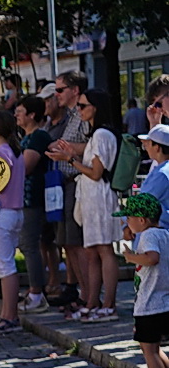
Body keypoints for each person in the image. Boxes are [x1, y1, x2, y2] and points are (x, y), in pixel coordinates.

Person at [51, 90, 121, 321]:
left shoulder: (101, 134)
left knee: (103, 249)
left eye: (83, 106)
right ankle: (91, 301)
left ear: (95, 107)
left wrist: (70, 160)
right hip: (90, 198)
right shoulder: (95, 135)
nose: (79, 110)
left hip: (100, 197)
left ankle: (108, 304)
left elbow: (96, 173)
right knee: (91, 252)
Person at [118, 193, 169, 368]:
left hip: (150, 304)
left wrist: (130, 257)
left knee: (150, 351)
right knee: (156, 351)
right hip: (163, 301)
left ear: (142, 219)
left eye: (128, 218)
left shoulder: (148, 236)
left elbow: (152, 258)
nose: (126, 222)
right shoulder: (164, 234)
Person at [45, 71, 91, 308]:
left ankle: (88, 296)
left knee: (76, 242)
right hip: (63, 181)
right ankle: (82, 295)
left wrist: (66, 148)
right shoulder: (70, 115)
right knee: (67, 242)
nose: (57, 94)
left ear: (75, 90)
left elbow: (92, 145)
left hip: (76, 180)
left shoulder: (83, 112)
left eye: (60, 89)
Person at [0, 111, 28, 332]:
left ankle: (9, 316)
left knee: (5, 267)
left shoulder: (1, 153)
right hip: (16, 211)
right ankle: (8, 314)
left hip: (2, 213)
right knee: (7, 265)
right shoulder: (14, 151)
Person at [13, 95, 53, 313]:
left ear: (32, 115)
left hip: (33, 199)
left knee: (30, 245)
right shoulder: (26, 136)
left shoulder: (38, 137)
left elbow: (26, 166)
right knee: (29, 245)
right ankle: (36, 289)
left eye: (20, 112)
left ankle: (37, 293)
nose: (16, 116)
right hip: (24, 199)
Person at [138, 125, 169, 205]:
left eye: (148, 143)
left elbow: (142, 204)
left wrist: (124, 217)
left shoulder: (161, 174)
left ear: (157, 148)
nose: (146, 147)